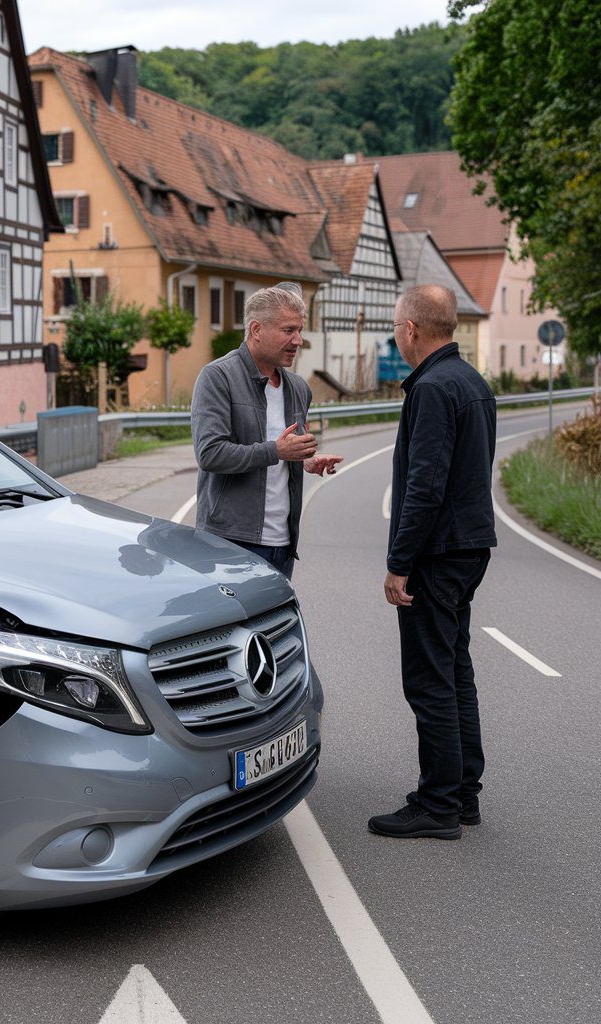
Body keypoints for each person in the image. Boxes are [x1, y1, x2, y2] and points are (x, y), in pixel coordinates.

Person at [369, 285, 497, 840]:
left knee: (428, 681)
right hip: (469, 549)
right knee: (455, 671)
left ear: (412, 330)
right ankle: (464, 791)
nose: (397, 334)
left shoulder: (433, 389)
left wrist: (399, 563)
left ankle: (438, 803)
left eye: (397, 326)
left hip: (436, 554)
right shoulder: (472, 382)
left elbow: (425, 485)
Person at [190, 284, 342, 579]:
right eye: (288, 331)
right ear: (256, 329)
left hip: (282, 543)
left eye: (300, 330)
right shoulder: (217, 377)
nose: (298, 340)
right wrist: (276, 451)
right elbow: (210, 454)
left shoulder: (298, 387)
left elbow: (286, 447)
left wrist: (305, 459)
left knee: (276, 624)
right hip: (230, 541)